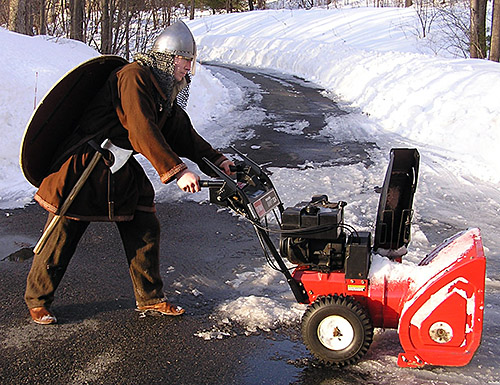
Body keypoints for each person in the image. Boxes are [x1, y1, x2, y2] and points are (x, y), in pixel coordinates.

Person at [24, 20, 234, 325]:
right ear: (167, 57)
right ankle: (38, 300)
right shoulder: (133, 77)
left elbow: (180, 131)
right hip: (85, 163)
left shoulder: (162, 88)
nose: (187, 69)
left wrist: (216, 159)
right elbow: (142, 130)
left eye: (190, 63)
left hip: (118, 165)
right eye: (184, 61)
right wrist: (177, 171)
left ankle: (150, 298)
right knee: (63, 232)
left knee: (144, 222)